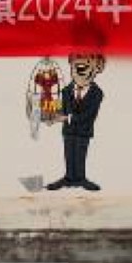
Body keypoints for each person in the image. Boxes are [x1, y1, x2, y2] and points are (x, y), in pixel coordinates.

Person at [44, 53, 106, 191]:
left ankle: (80, 178)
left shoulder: (97, 93)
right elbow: (63, 108)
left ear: (98, 68)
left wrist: (67, 118)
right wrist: (53, 116)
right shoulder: (66, 91)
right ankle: (69, 178)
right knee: (69, 153)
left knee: (80, 154)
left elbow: (89, 115)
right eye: (74, 66)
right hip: (68, 131)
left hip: (84, 131)